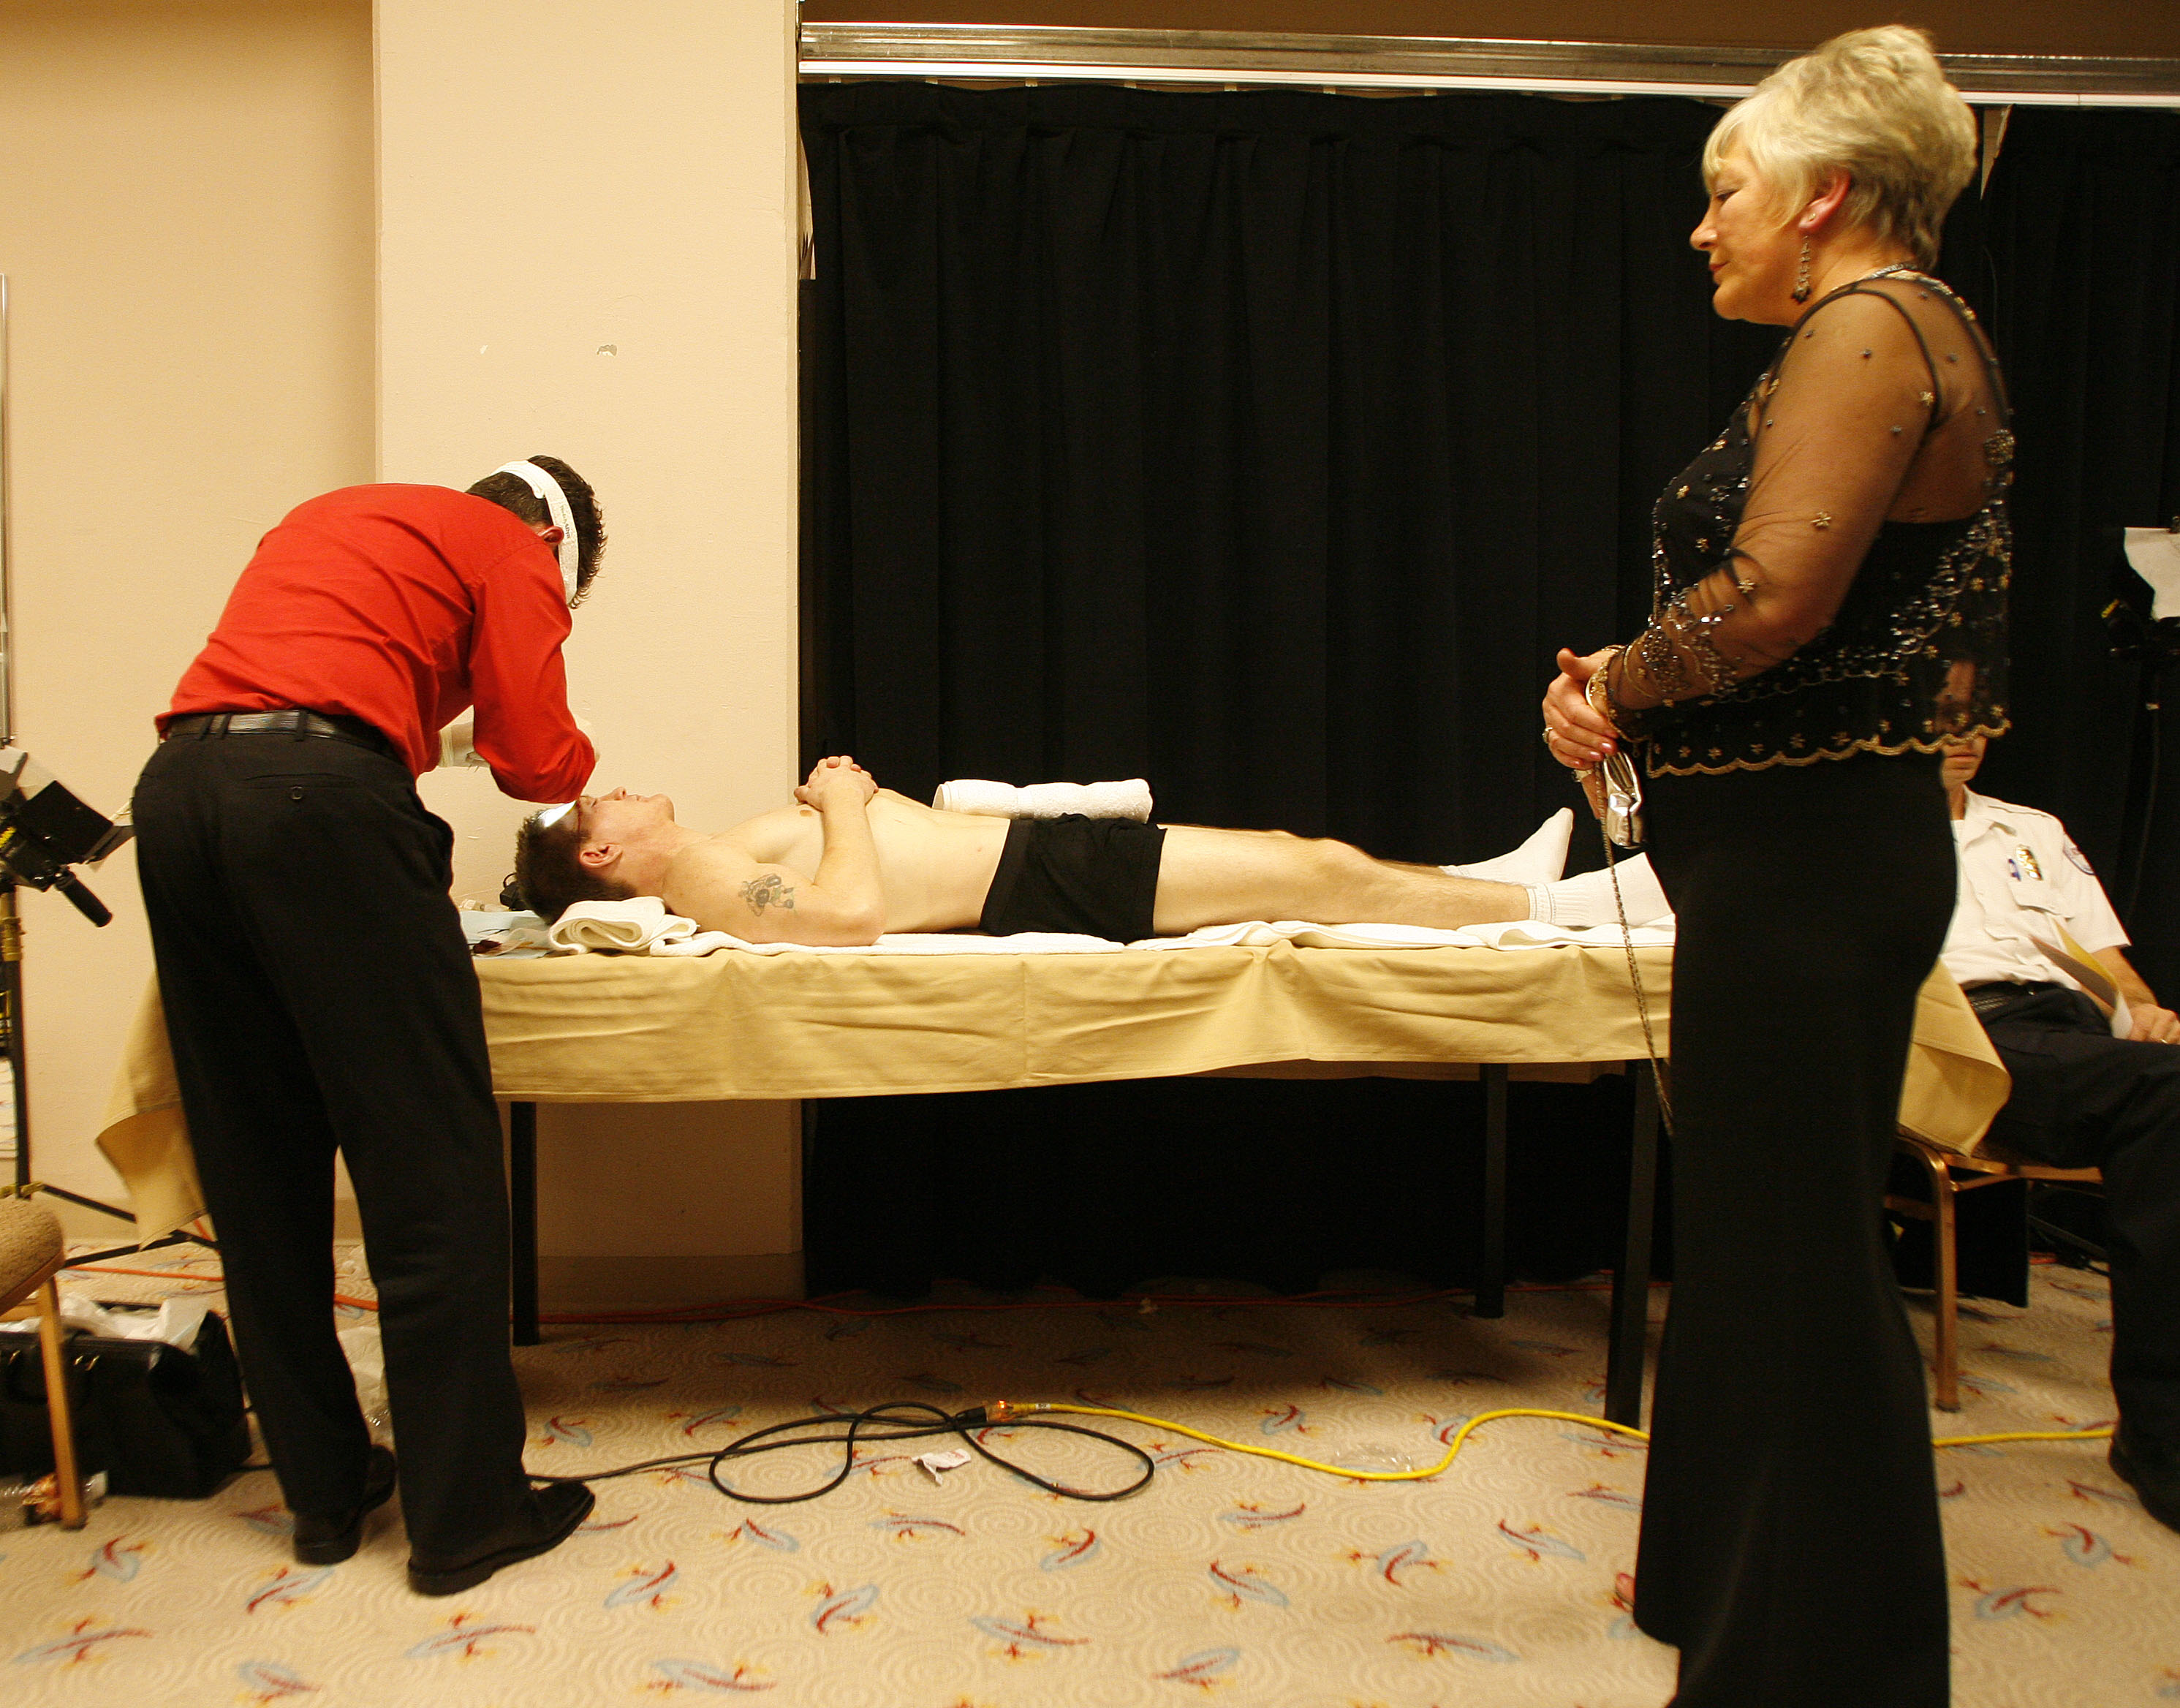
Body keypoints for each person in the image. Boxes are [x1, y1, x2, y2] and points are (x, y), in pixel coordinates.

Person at [1541, 29, 2005, 1708]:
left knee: (1794, 1266)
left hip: (1811, 882)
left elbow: (1773, 598)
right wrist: (1631, 692)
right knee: (1754, 1250)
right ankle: (1730, 1609)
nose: (1702, 225)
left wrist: (1616, 681)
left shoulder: (1873, 324)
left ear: (1823, 194)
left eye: (1724, 189)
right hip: (1798, 872)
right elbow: (1909, 657)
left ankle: (1826, 1672)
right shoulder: (1895, 330)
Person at [132, 459, 606, 1595]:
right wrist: (570, 754)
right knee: (428, 1164)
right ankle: (468, 1517)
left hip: (177, 795)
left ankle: (325, 1491)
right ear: (553, 543)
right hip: (317, 801)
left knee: (257, 1163)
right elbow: (536, 761)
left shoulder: (335, 517)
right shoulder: (517, 550)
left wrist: (430, 731)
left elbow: (324, 672)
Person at [508, 759, 1676, 942]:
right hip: (1038, 884)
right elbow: (847, 920)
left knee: (1307, 858)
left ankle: (1492, 886)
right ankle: (1564, 911)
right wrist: (846, 803)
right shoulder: (701, 875)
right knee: (1310, 867)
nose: (618, 789)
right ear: (602, 855)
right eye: (597, 806)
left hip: (1034, 859)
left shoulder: (708, 853)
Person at [1937, 733, 2180, 1533]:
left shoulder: (2033, 829)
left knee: (2165, 1082)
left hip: (2071, 1029)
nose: (1966, 732)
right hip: (1964, 1037)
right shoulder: (1859, 829)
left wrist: (2145, 1013)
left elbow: (2109, 962)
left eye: (1980, 712)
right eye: (1944, 709)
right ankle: (2161, 1435)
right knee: (2168, 1097)